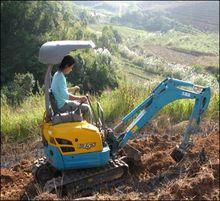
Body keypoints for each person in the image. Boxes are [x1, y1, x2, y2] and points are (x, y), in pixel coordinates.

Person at [51, 55, 92, 123]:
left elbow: (61, 90)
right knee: (87, 108)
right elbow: (65, 96)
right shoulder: (61, 78)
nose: (71, 70)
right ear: (66, 66)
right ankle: (89, 129)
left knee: (84, 102)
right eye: (71, 67)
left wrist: (73, 89)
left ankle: (84, 123)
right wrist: (80, 98)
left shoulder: (57, 74)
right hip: (62, 106)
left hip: (59, 103)